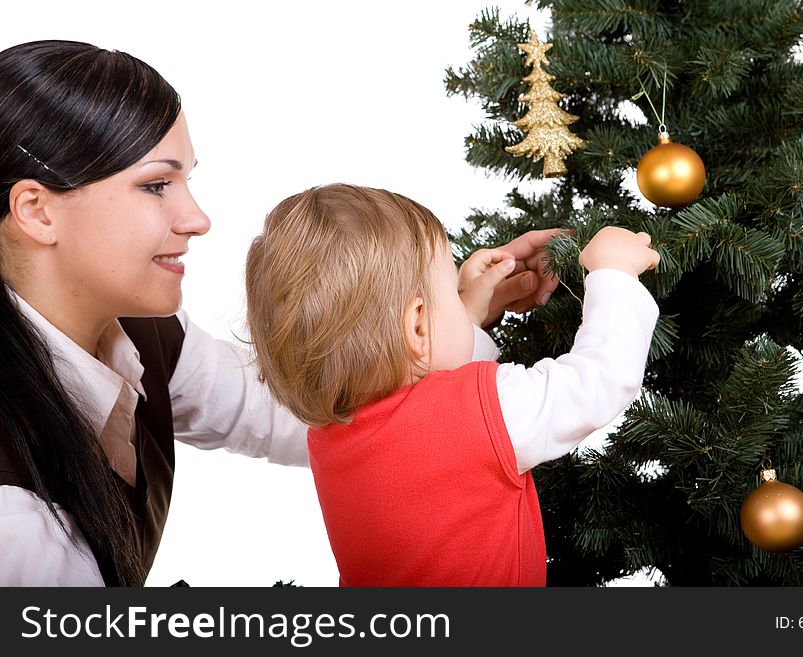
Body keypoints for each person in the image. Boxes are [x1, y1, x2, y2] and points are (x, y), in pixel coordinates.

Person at [0, 40, 558, 586]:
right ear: (37, 211)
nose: (197, 218)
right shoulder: (12, 516)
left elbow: (323, 402)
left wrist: (450, 317)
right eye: (155, 186)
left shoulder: (146, 336)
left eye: (186, 180)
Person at [245, 183, 661, 586]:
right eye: (450, 286)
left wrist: (469, 310)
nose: (459, 295)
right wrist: (615, 273)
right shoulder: (475, 416)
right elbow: (597, 381)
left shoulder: (329, 437)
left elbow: (427, 388)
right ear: (418, 325)